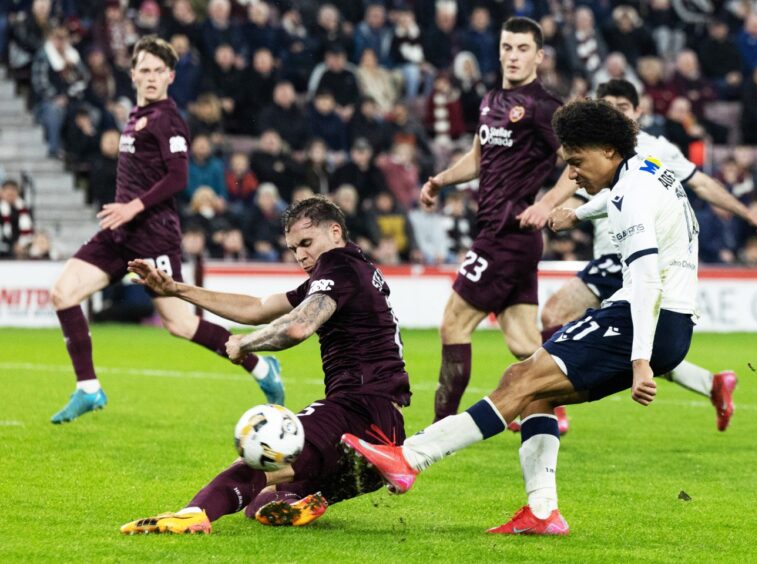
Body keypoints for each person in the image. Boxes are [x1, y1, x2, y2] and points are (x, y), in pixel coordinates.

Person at [341, 99, 698, 535]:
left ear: (607, 150)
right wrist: (579, 212)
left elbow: (645, 280)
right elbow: (620, 202)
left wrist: (640, 360)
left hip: (644, 319)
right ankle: (543, 511)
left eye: (577, 161)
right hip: (672, 325)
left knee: (519, 381)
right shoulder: (646, 167)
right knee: (537, 395)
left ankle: (410, 458)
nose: (571, 174)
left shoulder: (630, 195)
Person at [120, 197, 410, 534]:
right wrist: (176, 289)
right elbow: (258, 307)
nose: (300, 255)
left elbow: (297, 326)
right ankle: (296, 499)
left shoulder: (337, 266)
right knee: (263, 501)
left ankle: (194, 513)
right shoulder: (354, 269)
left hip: (357, 414)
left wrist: (245, 343)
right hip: (387, 434)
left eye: (306, 243)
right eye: (292, 248)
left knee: (260, 454)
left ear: (335, 232)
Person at [48, 36, 283, 425]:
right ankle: (88, 388)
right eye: (145, 69)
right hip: (120, 233)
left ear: (171, 76)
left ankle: (260, 366)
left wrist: (133, 207)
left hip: (154, 234)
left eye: (159, 70)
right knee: (63, 293)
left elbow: (178, 177)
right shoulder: (134, 115)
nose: (152, 77)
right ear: (133, 74)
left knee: (180, 324)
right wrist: (126, 212)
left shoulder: (168, 119)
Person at [537, 79, 757, 432]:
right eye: (607, 106)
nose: (615, 112)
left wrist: (748, 214)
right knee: (637, 340)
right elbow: (573, 185)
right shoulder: (593, 150)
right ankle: (711, 383)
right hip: (612, 256)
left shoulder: (656, 150)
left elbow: (703, 184)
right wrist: (564, 209)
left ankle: (549, 404)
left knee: (555, 313)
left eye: (622, 107)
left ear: (638, 112)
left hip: (632, 257)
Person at [420, 17, 577, 423]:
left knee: (453, 325)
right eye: (507, 47)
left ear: (539, 56)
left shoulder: (544, 107)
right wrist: (440, 180)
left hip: (506, 235)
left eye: (523, 49)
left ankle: (440, 428)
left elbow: (578, 164)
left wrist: (547, 203)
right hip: (509, 237)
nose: (513, 56)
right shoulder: (490, 100)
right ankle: (555, 405)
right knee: (523, 341)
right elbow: (477, 158)